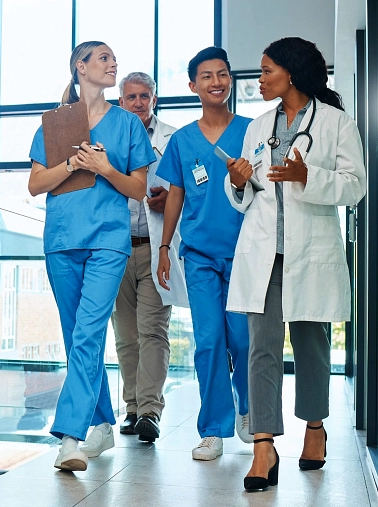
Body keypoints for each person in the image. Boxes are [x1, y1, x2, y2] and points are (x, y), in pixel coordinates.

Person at [224, 37, 366, 490]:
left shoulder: (337, 124)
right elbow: (244, 199)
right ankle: (263, 445)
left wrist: (310, 176)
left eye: (267, 70)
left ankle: (315, 428)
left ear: (292, 72)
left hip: (312, 254)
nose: (260, 79)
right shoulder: (256, 127)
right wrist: (238, 182)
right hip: (264, 255)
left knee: (311, 350)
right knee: (260, 350)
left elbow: (355, 186)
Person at [28, 41, 155, 472]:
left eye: (113, 58)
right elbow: (35, 183)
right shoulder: (56, 122)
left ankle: (70, 436)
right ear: (80, 67)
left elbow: (138, 189)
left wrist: (104, 169)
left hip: (108, 241)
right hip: (62, 240)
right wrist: (72, 165)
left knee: (87, 333)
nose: (112, 63)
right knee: (76, 337)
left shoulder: (128, 125)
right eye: (103, 58)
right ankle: (101, 419)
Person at [156, 47, 252, 461]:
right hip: (197, 255)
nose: (216, 82)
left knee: (245, 341)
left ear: (231, 80)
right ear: (193, 85)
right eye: (207, 76)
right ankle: (213, 429)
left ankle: (249, 412)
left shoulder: (252, 130)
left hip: (247, 253)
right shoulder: (182, 140)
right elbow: (175, 193)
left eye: (223, 74)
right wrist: (164, 246)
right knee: (209, 340)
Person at [111, 72, 188, 442]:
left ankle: (150, 412)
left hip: (157, 247)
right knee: (125, 335)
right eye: (131, 97)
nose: (138, 102)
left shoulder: (174, 138)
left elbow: (187, 190)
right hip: (117, 249)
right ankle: (131, 408)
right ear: (120, 101)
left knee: (152, 330)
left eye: (145, 96)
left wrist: (171, 198)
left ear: (154, 99)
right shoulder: (107, 137)